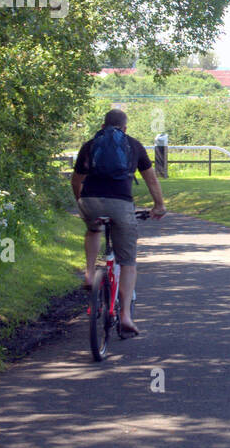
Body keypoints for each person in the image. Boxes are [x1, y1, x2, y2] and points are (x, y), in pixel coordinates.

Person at [71, 109, 166, 335]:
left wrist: (81, 201)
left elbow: (76, 180)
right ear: (125, 128)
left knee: (93, 230)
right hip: (120, 203)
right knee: (128, 262)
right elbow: (151, 180)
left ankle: (89, 273)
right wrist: (159, 206)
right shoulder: (133, 145)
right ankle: (125, 315)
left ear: (103, 126)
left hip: (90, 201)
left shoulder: (90, 145)